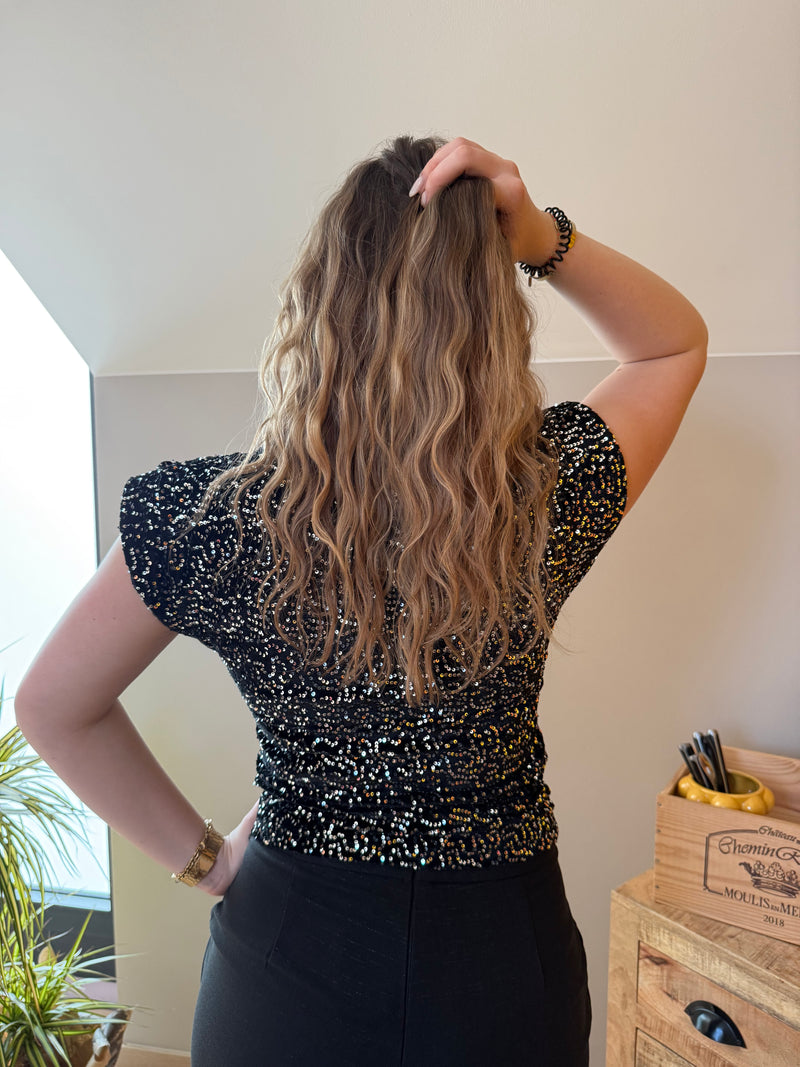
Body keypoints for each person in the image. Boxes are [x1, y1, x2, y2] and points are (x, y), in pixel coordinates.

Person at [15, 135, 707, 1066]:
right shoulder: (542, 490)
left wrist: (207, 861)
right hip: (503, 968)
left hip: (286, 961)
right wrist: (540, 236)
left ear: (319, 299)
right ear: (492, 319)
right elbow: (673, 345)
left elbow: (51, 704)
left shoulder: (216, 515)